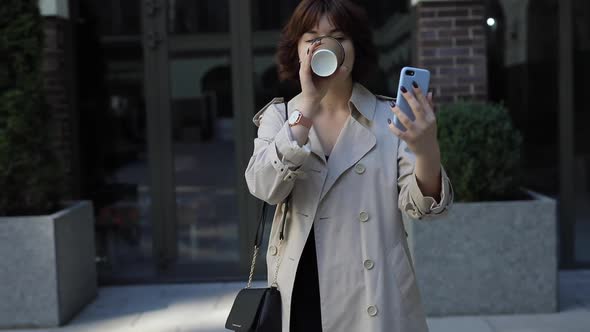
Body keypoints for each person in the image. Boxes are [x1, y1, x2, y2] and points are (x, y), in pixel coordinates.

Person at [244, 0, 454, 331]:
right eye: (311, 38)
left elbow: (424, 209)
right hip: (300, 293)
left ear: (355, 49)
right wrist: (309, 105)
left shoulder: (389, 118)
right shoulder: (280, 117)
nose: (324, 47)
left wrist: (426, 149)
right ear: (297, 50)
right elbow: (264, 187)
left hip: (374, 298)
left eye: (339, 38)